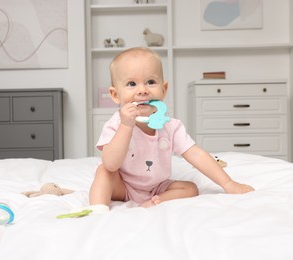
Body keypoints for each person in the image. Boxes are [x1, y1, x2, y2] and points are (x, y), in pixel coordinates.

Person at [89, 47, 254, 208]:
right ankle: (97, 210)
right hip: (123, 185)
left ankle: (157, 201)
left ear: (164, 89)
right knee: (103, 172)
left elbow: (196, 154)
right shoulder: (116, 123)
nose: (142, 90)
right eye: (132, 84)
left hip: (157, 186)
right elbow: (111, 164)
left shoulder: (171, 126)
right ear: (115, 95)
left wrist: (228, 183)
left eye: (151, 82)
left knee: (190, 188)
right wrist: (126, 126)